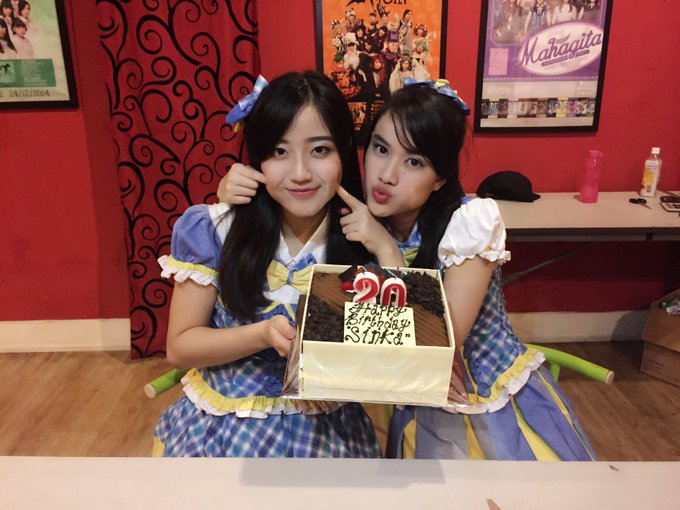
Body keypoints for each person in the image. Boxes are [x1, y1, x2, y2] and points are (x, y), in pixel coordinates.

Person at [220, 78, 597, 461]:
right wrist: (234, 191)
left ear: (440, 178)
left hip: (491, 406)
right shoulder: (358, 226)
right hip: (417, 408)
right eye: (381, 149)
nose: (387, 174)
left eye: (414, 161)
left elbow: (438, 343)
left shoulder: (467, 221)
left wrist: (385, 248)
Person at [153, 71, 384, 458]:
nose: (300, 173)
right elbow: (179, 347)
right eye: (279, 152)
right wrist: (261, 334)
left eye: (320, 150)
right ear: (257, 157)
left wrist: (387, 251)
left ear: (344, 152)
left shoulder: (366, 241)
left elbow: (387, 359)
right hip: (224, 432)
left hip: (327, 435)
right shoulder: (216, 229)